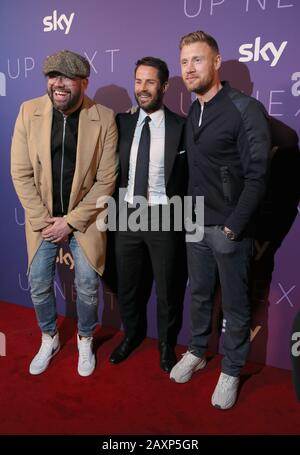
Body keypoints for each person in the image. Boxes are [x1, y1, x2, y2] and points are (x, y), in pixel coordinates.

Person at [170, 31, 271, 409]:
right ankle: (196, 351)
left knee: (235, 305)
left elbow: (259, 174)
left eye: (197, 60)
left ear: (216, 62)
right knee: (198, 294)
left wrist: (234, 225)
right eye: (184, 62)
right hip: (195, 224)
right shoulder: (193, 109)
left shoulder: (244, 109)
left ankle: (231, 370)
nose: (189, 68)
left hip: (229, 229)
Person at [11, 50, 118, 377]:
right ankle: (49, 337)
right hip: (42, 220)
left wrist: (70, 222)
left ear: (84, 82)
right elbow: (21, 172)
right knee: (39, 283)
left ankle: (85, 338)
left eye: (66, 77)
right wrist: (46, 221)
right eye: (51, 76)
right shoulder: (29, 111)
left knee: (87, 284)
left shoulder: (104, 117)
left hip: (83, 220)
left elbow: (107, 179)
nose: (57, 83)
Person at [109, 57, 187, 373]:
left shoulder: (181, 126)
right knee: (127, 285)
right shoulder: (121, 121)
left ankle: (167, 346)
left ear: (164, 86)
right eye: (139, 81)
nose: (142, 88)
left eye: (150, 82)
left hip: (166, 214)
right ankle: (132, 334)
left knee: (169, 288)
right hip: (125, 212)